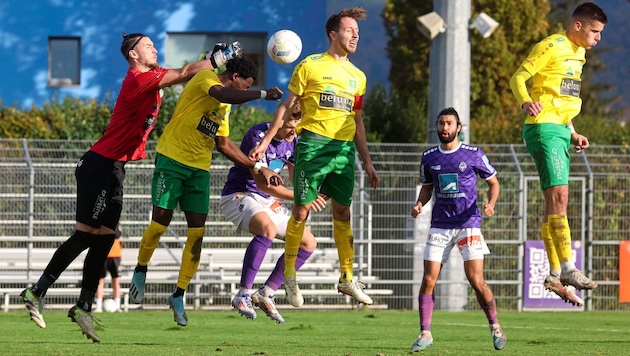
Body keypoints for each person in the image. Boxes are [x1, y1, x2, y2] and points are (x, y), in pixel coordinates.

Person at [19, 32, 242, 342]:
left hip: (115, 168)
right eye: (147, 45)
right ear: (133, 55)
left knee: (104, 240)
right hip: (100, 165)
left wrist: (214, 58)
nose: (153, 48)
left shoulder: (151, 75)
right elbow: (184, 73)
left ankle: (83, 306)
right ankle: (37, 290)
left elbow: (190, 69)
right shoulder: (138, 79)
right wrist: (219, 58)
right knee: (86, 236)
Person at [128, 57, 284, 327]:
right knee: (160, 222)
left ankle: (179, 294)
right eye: (245, 86)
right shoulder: (206, 79)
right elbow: (224, 94)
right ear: (234, 76)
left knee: (197, 232)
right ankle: (141, 268)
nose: (245, 93)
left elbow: (224, 145)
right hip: (172, 159)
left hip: (199, 169)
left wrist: (259, 166)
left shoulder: (225, 107)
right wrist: (262, 94)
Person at [249, 7, 380, 307]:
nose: (355, 34)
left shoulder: (358, 77)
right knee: (301, 211)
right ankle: (290, 275)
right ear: (333, 34)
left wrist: (368, 162)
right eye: (349, 30)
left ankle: (347, 278)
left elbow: (358, 121)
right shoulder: (310, 66)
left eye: (357, 31)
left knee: (343, 213)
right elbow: (286, 106)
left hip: (344, 151)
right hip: (313, 146)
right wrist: (268, 140)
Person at [509, 2, 606, 306]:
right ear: (578, 26)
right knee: (560, 197)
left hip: (560, 129)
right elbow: (517, 78)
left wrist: (572, 130)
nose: (598, 38)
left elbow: (562, 99)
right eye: (595, 31)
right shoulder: (551, 45)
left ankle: (553, 273)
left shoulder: (580, 54)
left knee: (554, 202)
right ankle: (568, 268)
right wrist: (526, 102)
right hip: (543, 128)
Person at [221, 103, 328, 323]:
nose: (293, 132)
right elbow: (264, 186)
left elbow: (298, 176)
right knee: (268, 229)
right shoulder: (258, 135)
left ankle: (267, 293)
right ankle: (243, 294)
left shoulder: (294, 140)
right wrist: (302, 197)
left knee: (308, 243)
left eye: (296, 127)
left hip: (266, 201)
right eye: (289, 126)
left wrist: (313, 189)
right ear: (279, 121)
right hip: (239, 195)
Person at [409, 107, 506, 351]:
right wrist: (420, 203)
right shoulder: (429, 157)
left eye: (449, 123)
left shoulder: (473, 154)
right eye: (441, 123)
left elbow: (494, 182)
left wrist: (491, 204)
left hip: (468, 223)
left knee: (476, 280)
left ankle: (495, 326)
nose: (445, 128)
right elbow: (428, 186)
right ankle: (425, 333)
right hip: (440, 225)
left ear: (458, 127)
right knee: (429, 279)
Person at [94, 223, 123, 313]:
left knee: (116, 280)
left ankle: (117, 306)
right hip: (103, 254)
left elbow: (117, 234)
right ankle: (98, 306)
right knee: (100, 280)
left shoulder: (117, 223)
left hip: (115, 255)